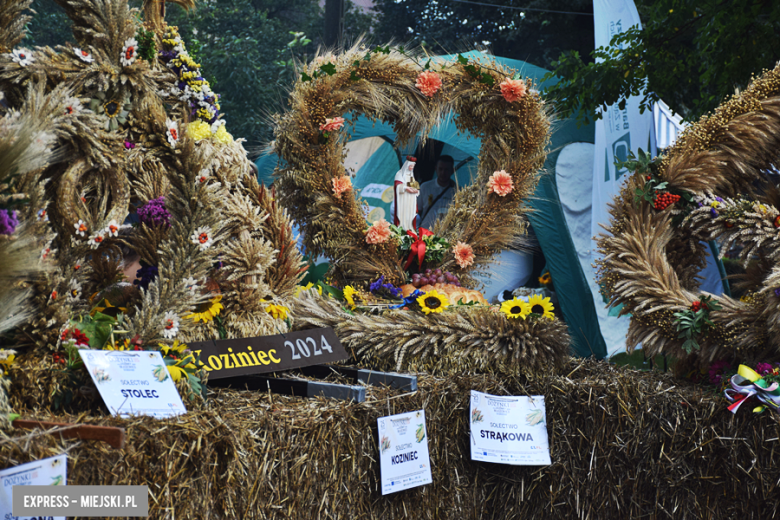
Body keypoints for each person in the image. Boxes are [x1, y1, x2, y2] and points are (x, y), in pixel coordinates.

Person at [418, 155, 456, 229]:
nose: (443, 173)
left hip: (446, 233)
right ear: (436, 168)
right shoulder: (425, 187)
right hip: (425, 232)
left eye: (446, 170)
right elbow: (417, 211)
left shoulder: (457, 190)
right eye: (440, 169)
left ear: (452, 171)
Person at [393, 156, 420, 231]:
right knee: (402, 217)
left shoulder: (412, 176)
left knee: (410, 218)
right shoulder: (400, 174)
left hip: (410, 202)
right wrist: (405, 188)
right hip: (402, 201)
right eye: (410, 166)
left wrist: (416, 191)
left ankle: (410, 229)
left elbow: (416, 187)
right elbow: (397, 186)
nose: (411, 167)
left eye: (413, 166)